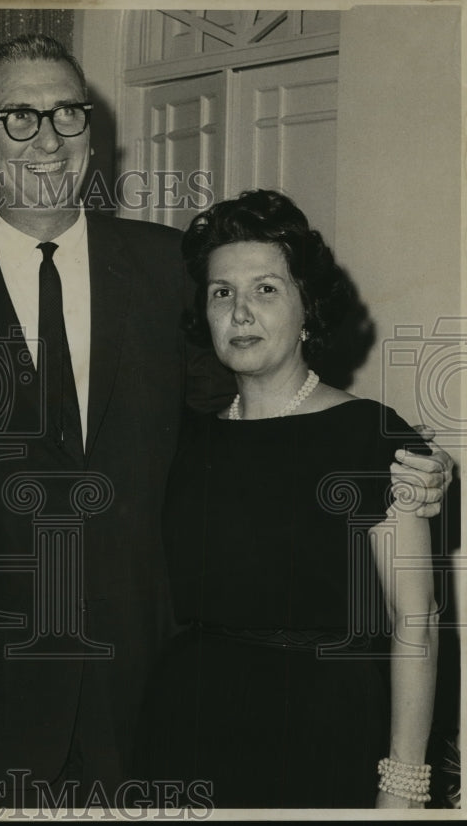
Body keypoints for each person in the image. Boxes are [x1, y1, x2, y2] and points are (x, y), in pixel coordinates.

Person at [0, 33, 452, 806]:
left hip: (156, 686)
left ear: (94, 133)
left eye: (67, 115)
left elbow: (265, 421)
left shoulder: (171, 270)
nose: (49, 139)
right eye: (19, 117)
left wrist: (419, 470)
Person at [136, 189, 438, 809]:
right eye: (222, 293)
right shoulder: (187, 438)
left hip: (324, 733)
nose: (240, 312)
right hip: (187, 730)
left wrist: (403, 784)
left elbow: (417, 618)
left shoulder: (370, 436)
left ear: (308, 309)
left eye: (266, 289)